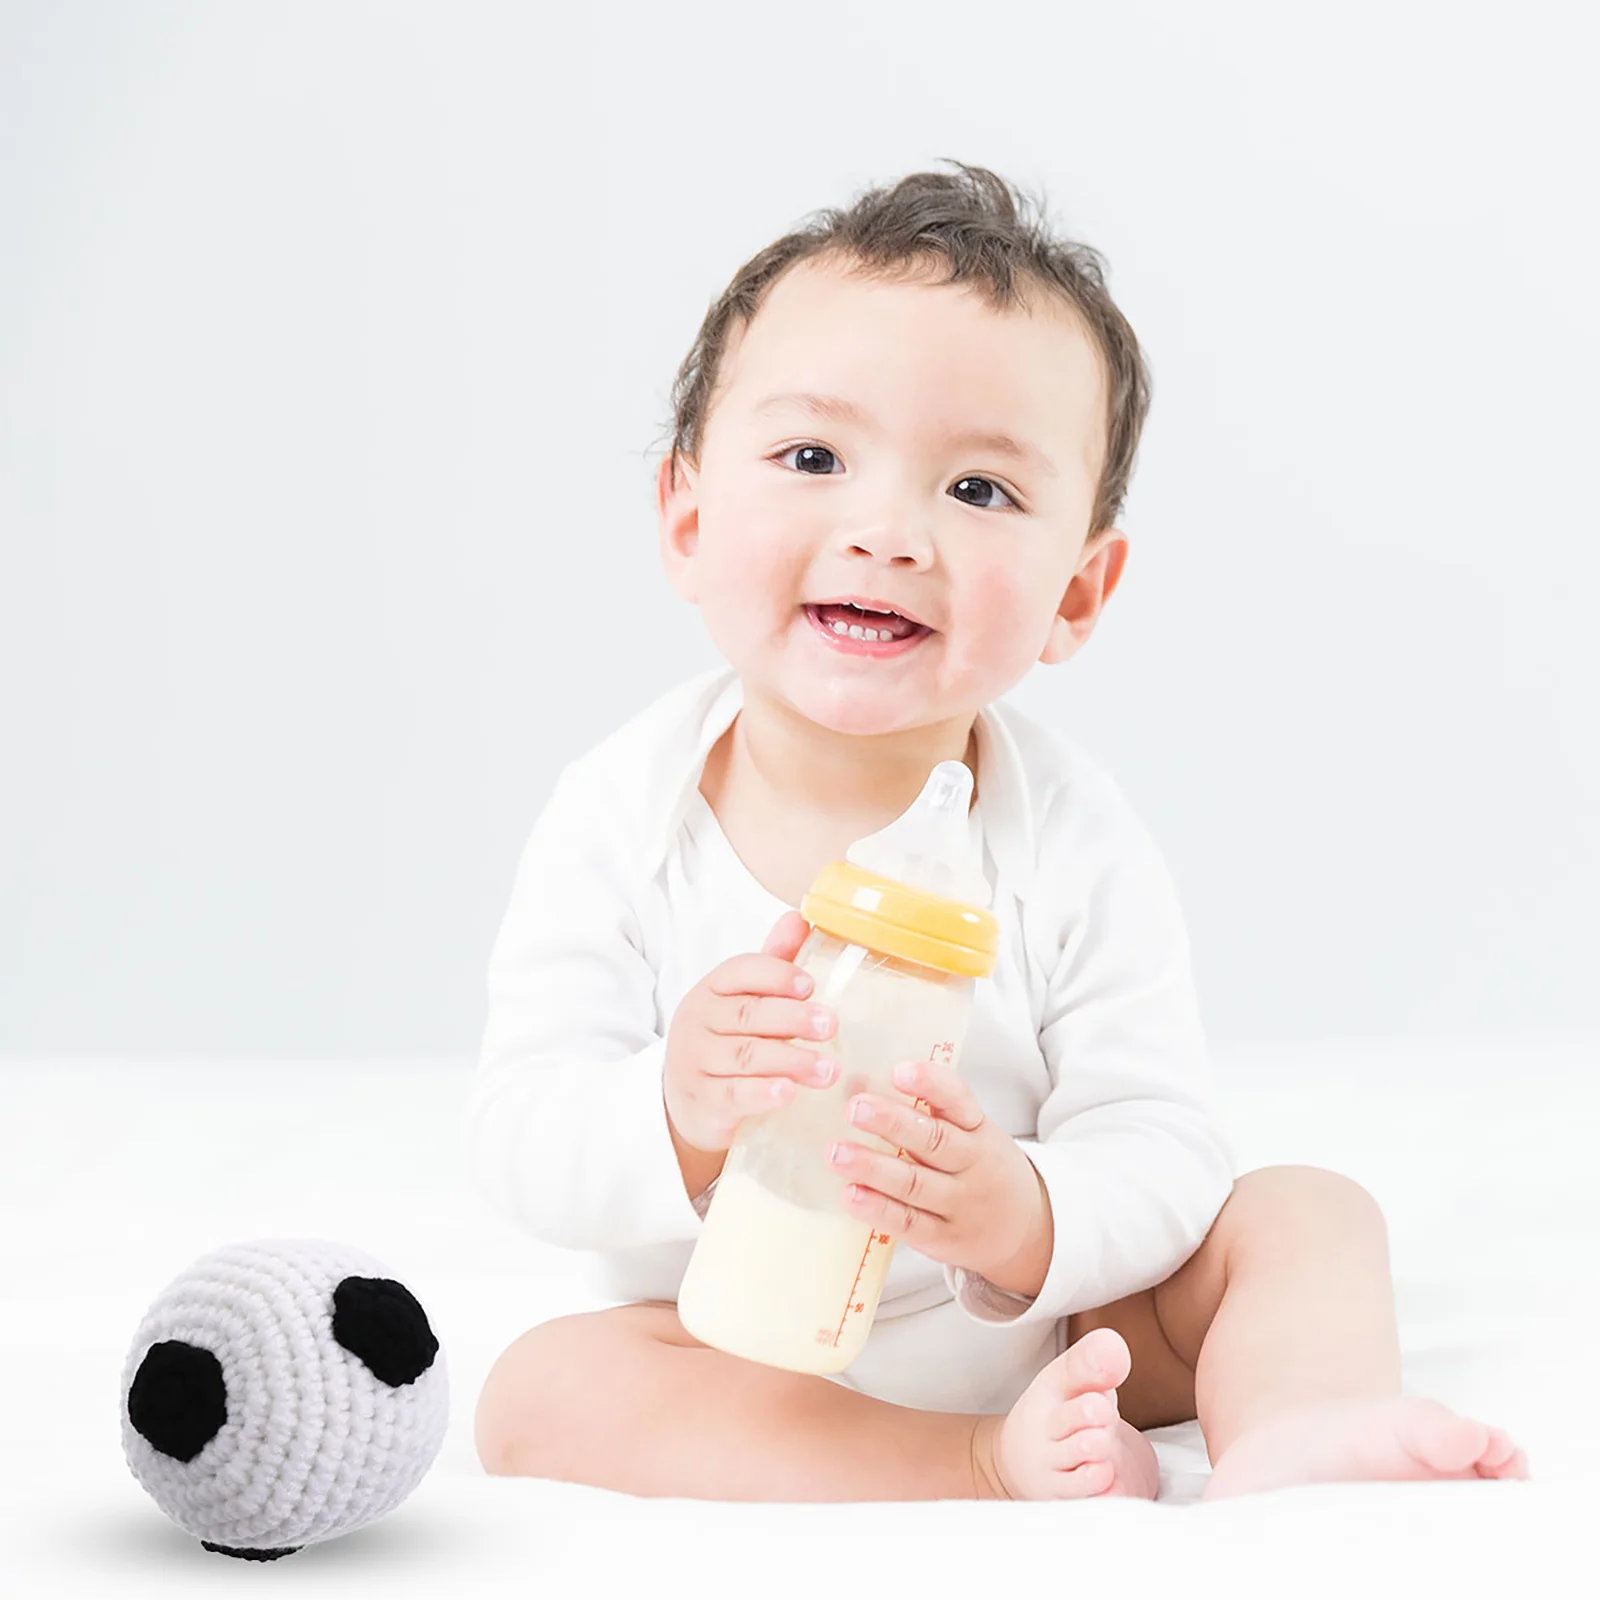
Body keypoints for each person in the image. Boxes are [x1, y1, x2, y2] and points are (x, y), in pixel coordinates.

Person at [462, 162, 1529, 1501]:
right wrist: (676, 1111)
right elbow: (521, 1134)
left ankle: (1300, 1419)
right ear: (686, 518)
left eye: (978, 489)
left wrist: (1022, 1213)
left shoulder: (1072, 836)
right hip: (738, 1348)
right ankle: (973, 1462)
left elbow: (1160, 1141)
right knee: (539, 1392)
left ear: (1079, 592)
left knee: (1308, 1211)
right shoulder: (623, 814)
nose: (887, 532)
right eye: (813, 459)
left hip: (1054, 1328)